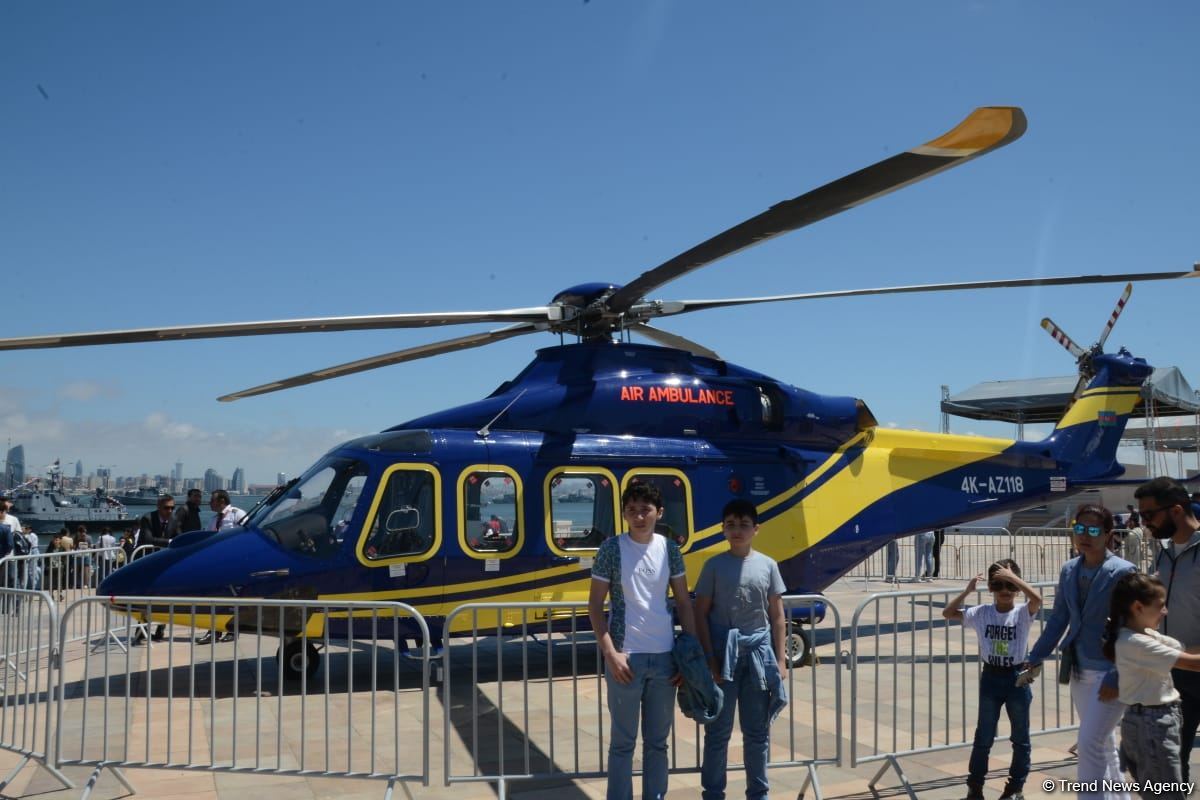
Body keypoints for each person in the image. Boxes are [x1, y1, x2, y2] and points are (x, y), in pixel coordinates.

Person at [588, 481, 697, 800]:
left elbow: (683, 602)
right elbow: (594, 605)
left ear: (659, 513)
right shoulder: (611, 549)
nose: (638, 516)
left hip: (665, 659)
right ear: (623, 514)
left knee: (658, 744)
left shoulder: (670, 549)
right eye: (632, 510)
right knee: (623, 743)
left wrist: (688, 656)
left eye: (645, 509)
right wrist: (611, 653)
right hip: (625, 658)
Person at [1026, 503, 1135, 800]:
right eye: (1079, 528)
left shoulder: (1123, 571)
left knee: (1089, 744)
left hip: (1110, 670)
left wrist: (1117, 672)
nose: (1084, 536)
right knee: (1102, 743)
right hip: (1078, 668)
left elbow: (1132, 626)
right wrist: (1034, 657)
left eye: (1093, 530)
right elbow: (1059, 618)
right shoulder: (1069, 569)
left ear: (1109, 534)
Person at [694, 498, 788, 800]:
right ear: (723, 529)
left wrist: (781, 659)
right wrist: (710, 658)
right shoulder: (713, 566)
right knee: (717, 733)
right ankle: (713, 793)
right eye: (731, 525)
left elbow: (777, 616)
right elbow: (700, 613)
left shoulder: (768, 565)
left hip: (758, 659)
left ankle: (758, 794)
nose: (737, 530)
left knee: (757, 733)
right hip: (723, 658)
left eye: (744, 525)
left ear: (756, 529)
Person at [943, 559, 1042, 800]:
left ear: (1017, 588)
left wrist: (1014, 578)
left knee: (1020, 736)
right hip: (991, 677)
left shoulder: (1022, 613)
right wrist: (967, 591)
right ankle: (975, 787)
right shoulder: (982, 613)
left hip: (1016, 677)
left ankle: (1015, 787)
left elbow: (1037, 600)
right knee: (984, 735)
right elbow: (948, 613)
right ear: (990, 588)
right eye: (998, 585)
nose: (1005, 591)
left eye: (1010, 586)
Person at [1103, 572, 1200, 800]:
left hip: (1154, 721)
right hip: (1152, 725)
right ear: (1138, 607)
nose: (1165, 612)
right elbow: (1192, 663)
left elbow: (1184, 650)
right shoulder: (1135, 642)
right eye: (1160, 605)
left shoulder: (1145, 635)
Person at [1135, 476, 1200, 782]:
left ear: (1175, 510)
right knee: (1171, 760)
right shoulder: (1164, 553)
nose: (1144, 523)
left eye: (1149, 514)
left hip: (1191, 662)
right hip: (1175, 675)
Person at [134, 495, 178, 644]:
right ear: (158, 507)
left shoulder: (174, 519)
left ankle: (161, 628)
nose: (170, 511)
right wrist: (170, 542)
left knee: (165, 596)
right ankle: (141, 630)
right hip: (147, 562)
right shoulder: (148, 518)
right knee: (145, 597)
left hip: (165, 564)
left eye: (172, 508)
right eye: (166, 508)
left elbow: (179, 538)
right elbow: (148, 539)